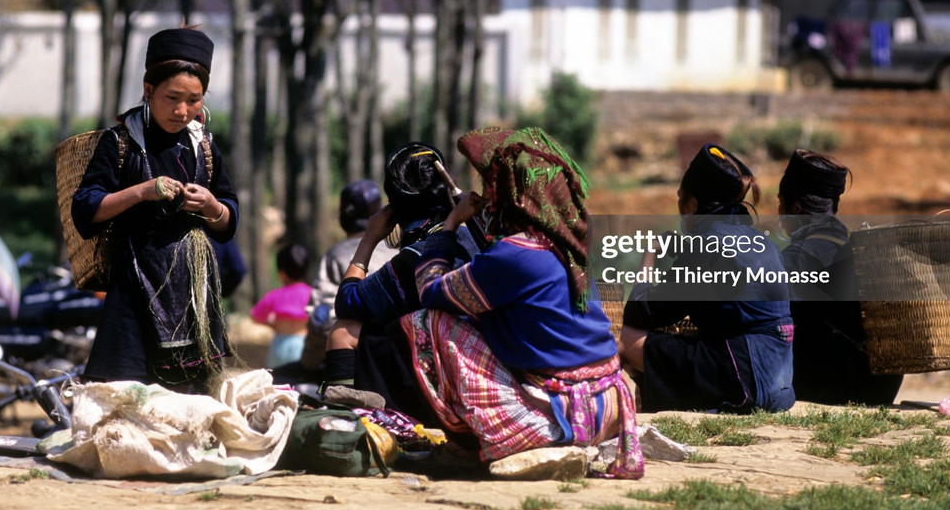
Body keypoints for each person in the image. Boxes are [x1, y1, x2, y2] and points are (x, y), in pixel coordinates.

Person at [346, 127, 644, 479]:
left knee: (429, 322)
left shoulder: (514, 254)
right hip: (607, 403)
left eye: (493, 189)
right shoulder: (565, 240)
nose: (487, 197)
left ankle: (469, 445)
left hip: (562, 414)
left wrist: (450, 225)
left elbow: (429, 288)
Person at [72, 26, 238, 394]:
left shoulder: (204, 146)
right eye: (172, 97)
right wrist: (141, 191)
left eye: (194, 100)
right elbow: (85, 209)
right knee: (125, 393)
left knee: (190, 395)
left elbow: (229, 219)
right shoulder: (119, 143)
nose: (183, 111)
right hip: (133, 281)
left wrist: (211, 206)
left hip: (193, 286)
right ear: (148, 91)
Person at [620, 143, 795, 414]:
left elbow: (641, 312)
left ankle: (637, 406)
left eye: (680, 199)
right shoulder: (763, 242)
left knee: (622, 338)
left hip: (745, 380)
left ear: (692, 205)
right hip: (779, 387)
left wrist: (651, 253)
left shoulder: (706, 245)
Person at [323, 143, 471, 406]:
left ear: (393, 207)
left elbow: (347, 302)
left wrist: (369, 238)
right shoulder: (473, 233)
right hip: (478, 360)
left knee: (343, 331)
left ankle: (341, 417)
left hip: (445, 374)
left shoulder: (417, 256)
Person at [779, 149, 903, 405]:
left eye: (781, 204)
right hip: (879, 388)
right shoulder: (854, 249)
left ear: (796, 208)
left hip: (828, 389)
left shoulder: (797, 257)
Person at [294, 180, 396, 377]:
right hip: (395, 357)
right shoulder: (398, 251)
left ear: (342, 216)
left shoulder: (335, 255)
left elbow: (320, 320)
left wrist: (309, 363)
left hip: (346, 358)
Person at [250, 243, 312, 369]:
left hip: (280, 345)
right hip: (303, 344)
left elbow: (256, 316)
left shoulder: (275, 295)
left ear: (282, 272)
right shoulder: (311, 294)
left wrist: (273, 324)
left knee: (278, 383)